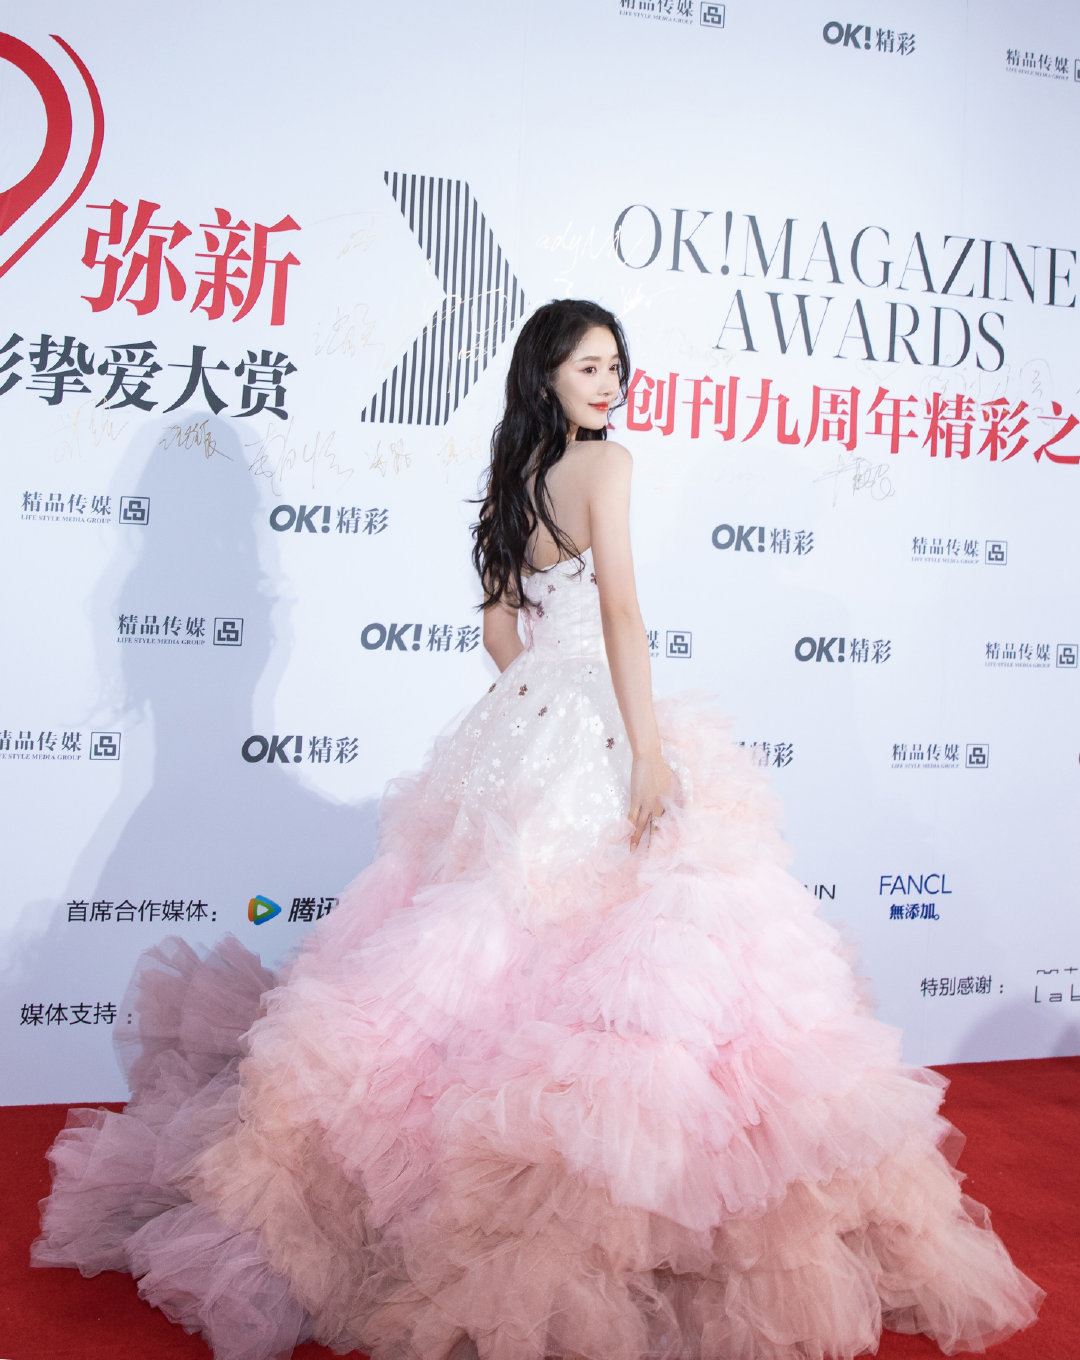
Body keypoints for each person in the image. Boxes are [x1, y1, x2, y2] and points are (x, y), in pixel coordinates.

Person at [34, 300, 1042, 1360]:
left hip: (527, 727)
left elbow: (497, 626)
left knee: (496, 956)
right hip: (599, 717)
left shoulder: (512, 477)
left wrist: (539, 702)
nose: (609, 384)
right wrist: (641, 749)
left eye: (616, 366)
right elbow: (620, 613)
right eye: (589, 366)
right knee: (636, 960)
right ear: (547, 373)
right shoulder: (607, 466)